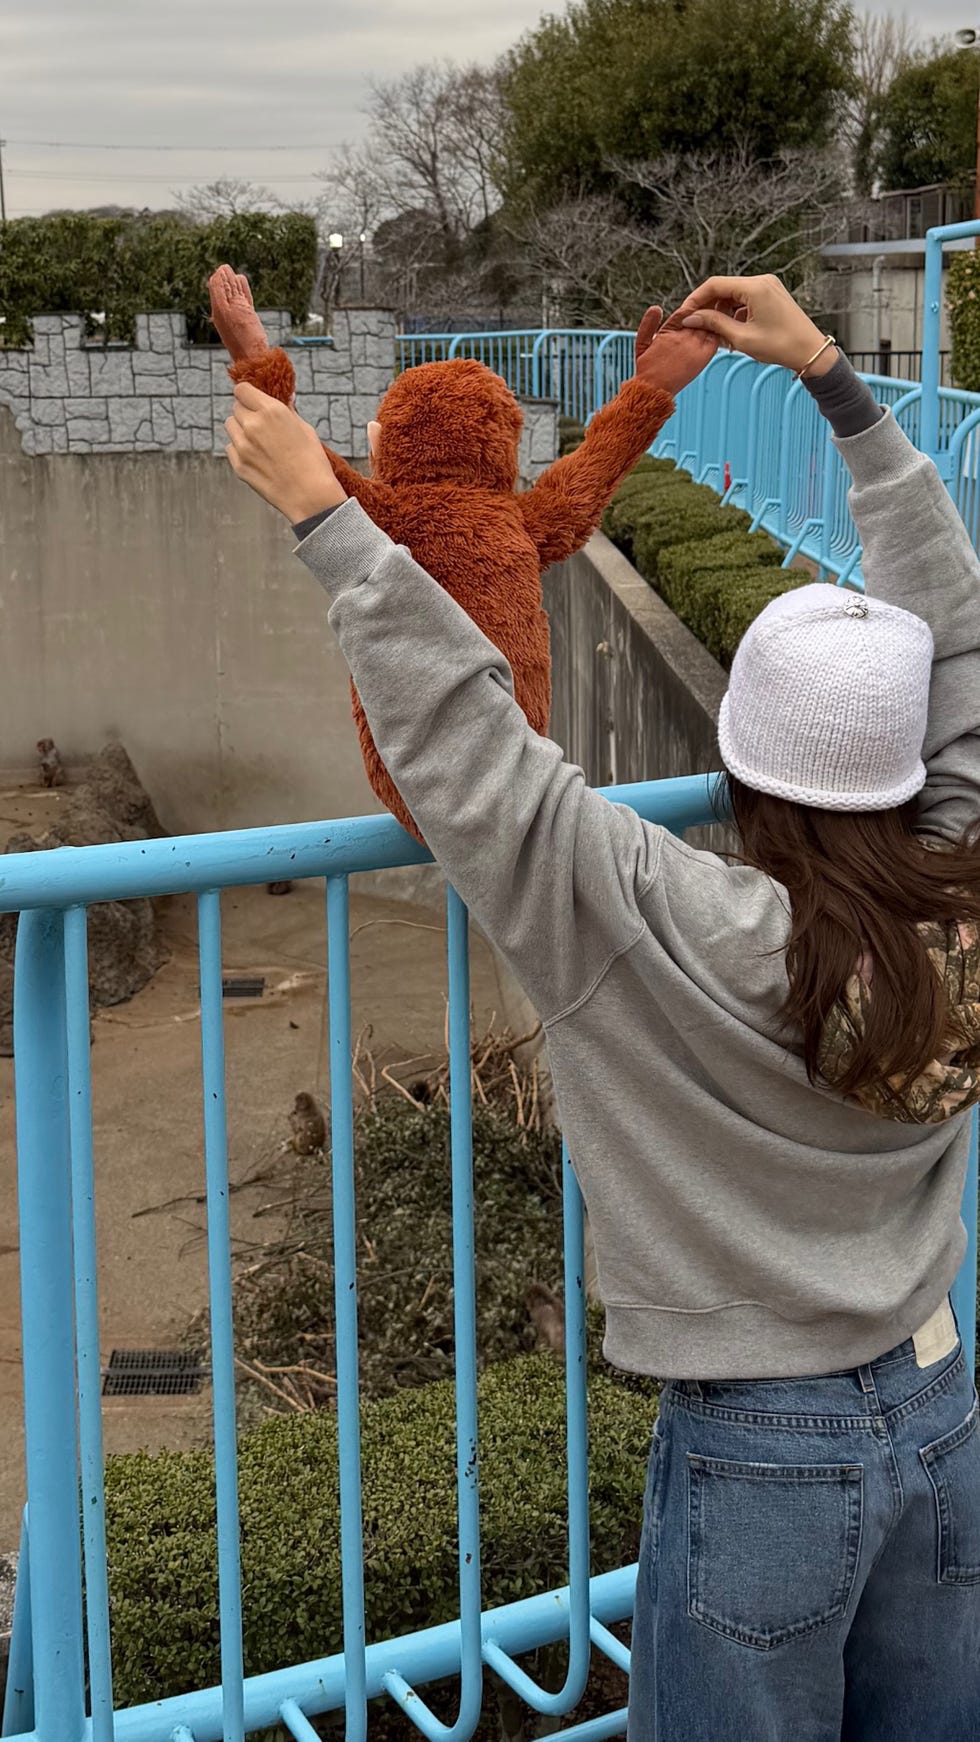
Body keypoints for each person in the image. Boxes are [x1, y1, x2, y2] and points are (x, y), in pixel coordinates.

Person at [223, 274, 980, 1741]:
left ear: (739, 760)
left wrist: (330, 521)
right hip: (944, 1402)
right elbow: (954, 635)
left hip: (761, 1447)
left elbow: (470, 754)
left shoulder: (655, 919)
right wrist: (837, 382)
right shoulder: (961, 882)